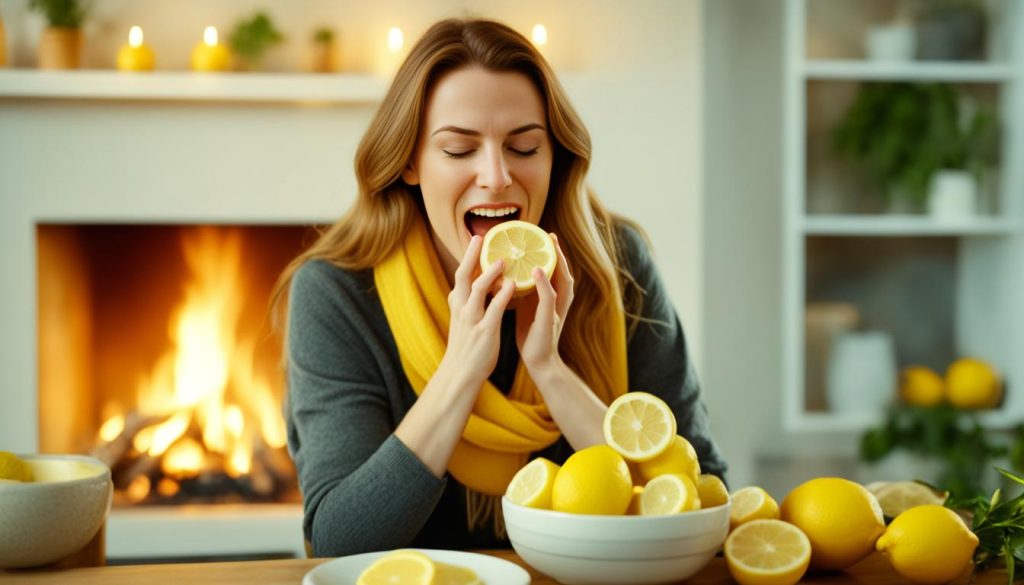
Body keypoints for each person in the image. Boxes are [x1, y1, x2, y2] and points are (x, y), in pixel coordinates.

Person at [274, 17, 727, 557]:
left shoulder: (619, 265)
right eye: (459, 150)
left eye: (525, 147)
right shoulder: (336, 294)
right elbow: (337, 539)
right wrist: (462, 369)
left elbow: (697, 503)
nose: (495, 175)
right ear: (410, 163)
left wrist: (551, 372)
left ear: (555, 157)